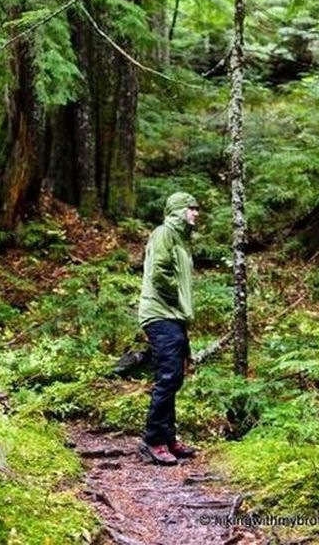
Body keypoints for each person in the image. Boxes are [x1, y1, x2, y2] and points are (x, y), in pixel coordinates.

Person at [136, 192, 199, 466]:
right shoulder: (164, 233)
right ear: (178, 210)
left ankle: (168, 437)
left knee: (175, 377)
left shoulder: (180, 239)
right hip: (161, 313)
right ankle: (153, 440)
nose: (196, 213)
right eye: (192, 208)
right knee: (168, 376)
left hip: (174, 316)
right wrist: (177, 298)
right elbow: (160, 272)